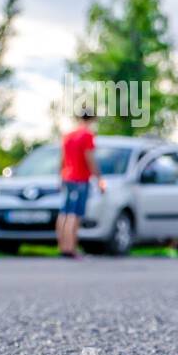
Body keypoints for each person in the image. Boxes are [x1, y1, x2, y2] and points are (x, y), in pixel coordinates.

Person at [57, 109, 105, 258]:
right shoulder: (87, 135)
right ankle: (71, 248)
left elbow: (62, 159)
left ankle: (63, 247)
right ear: (93, 119)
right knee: (75, 214)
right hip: (80, 178)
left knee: (64, 213)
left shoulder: (68, 135)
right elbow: (89, 159)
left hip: (66, 177)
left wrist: (60, 176)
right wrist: (99, 179)